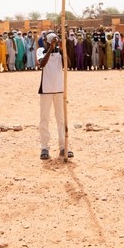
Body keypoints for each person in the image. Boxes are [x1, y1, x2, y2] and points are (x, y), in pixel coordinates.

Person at [37, 32, 72, 160]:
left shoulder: (60, 52)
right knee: (44, 119)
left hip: (59, 90)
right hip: (45, 89)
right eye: (50, 41)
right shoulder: (41, 50)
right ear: (45, 41)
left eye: (54, 41)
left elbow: (68, 64)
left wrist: (63, 49)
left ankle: (63, 146)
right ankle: (44, 147)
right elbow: (42, 64)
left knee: (61, 119)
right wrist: (50, 48)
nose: (52, 43)